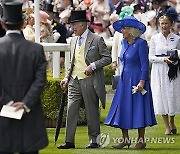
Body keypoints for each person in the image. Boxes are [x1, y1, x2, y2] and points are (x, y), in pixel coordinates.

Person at [58, 10, 111, 149]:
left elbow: (107, 58)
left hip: (89, 80)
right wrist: (66, 78)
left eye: (74, 25)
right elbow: (72, 63)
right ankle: (69, 141)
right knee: (71, 110)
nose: (72, 28)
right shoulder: (73, 40)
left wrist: (93, 66)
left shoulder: (97, 39)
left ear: (83, 25)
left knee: (91, 111)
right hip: (74, 80)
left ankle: (95, 141)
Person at [0, 1, 48, 154]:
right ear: (23, 24)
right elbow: (40, 81)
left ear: (3, 24)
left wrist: (8, 102)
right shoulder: (36, 49)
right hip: (30, 114)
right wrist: (25, 103)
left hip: (3, 113)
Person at [104, 16, 157, 149]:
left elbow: (145, 65)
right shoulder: (123, 43)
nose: (122, 30)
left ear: (131, 30)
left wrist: (142, 82)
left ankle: (141, 140)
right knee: (122, 107)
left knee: (139, 107)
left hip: (137, 80)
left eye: (124, 28)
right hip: (124, 79)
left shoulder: (141, 43)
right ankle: (125, 139)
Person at [149, 7, 180, 135]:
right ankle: (167, 125)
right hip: (159, 71)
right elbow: (151, 57)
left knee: (172, 95)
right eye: (162, 23)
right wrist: (163, 60)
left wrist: (175, 58)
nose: (164, 26)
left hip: (173, 70)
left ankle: (172, 121)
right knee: (161, 96)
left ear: (171, 24)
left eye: (166, 23)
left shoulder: (177, 38)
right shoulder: (154, 38)